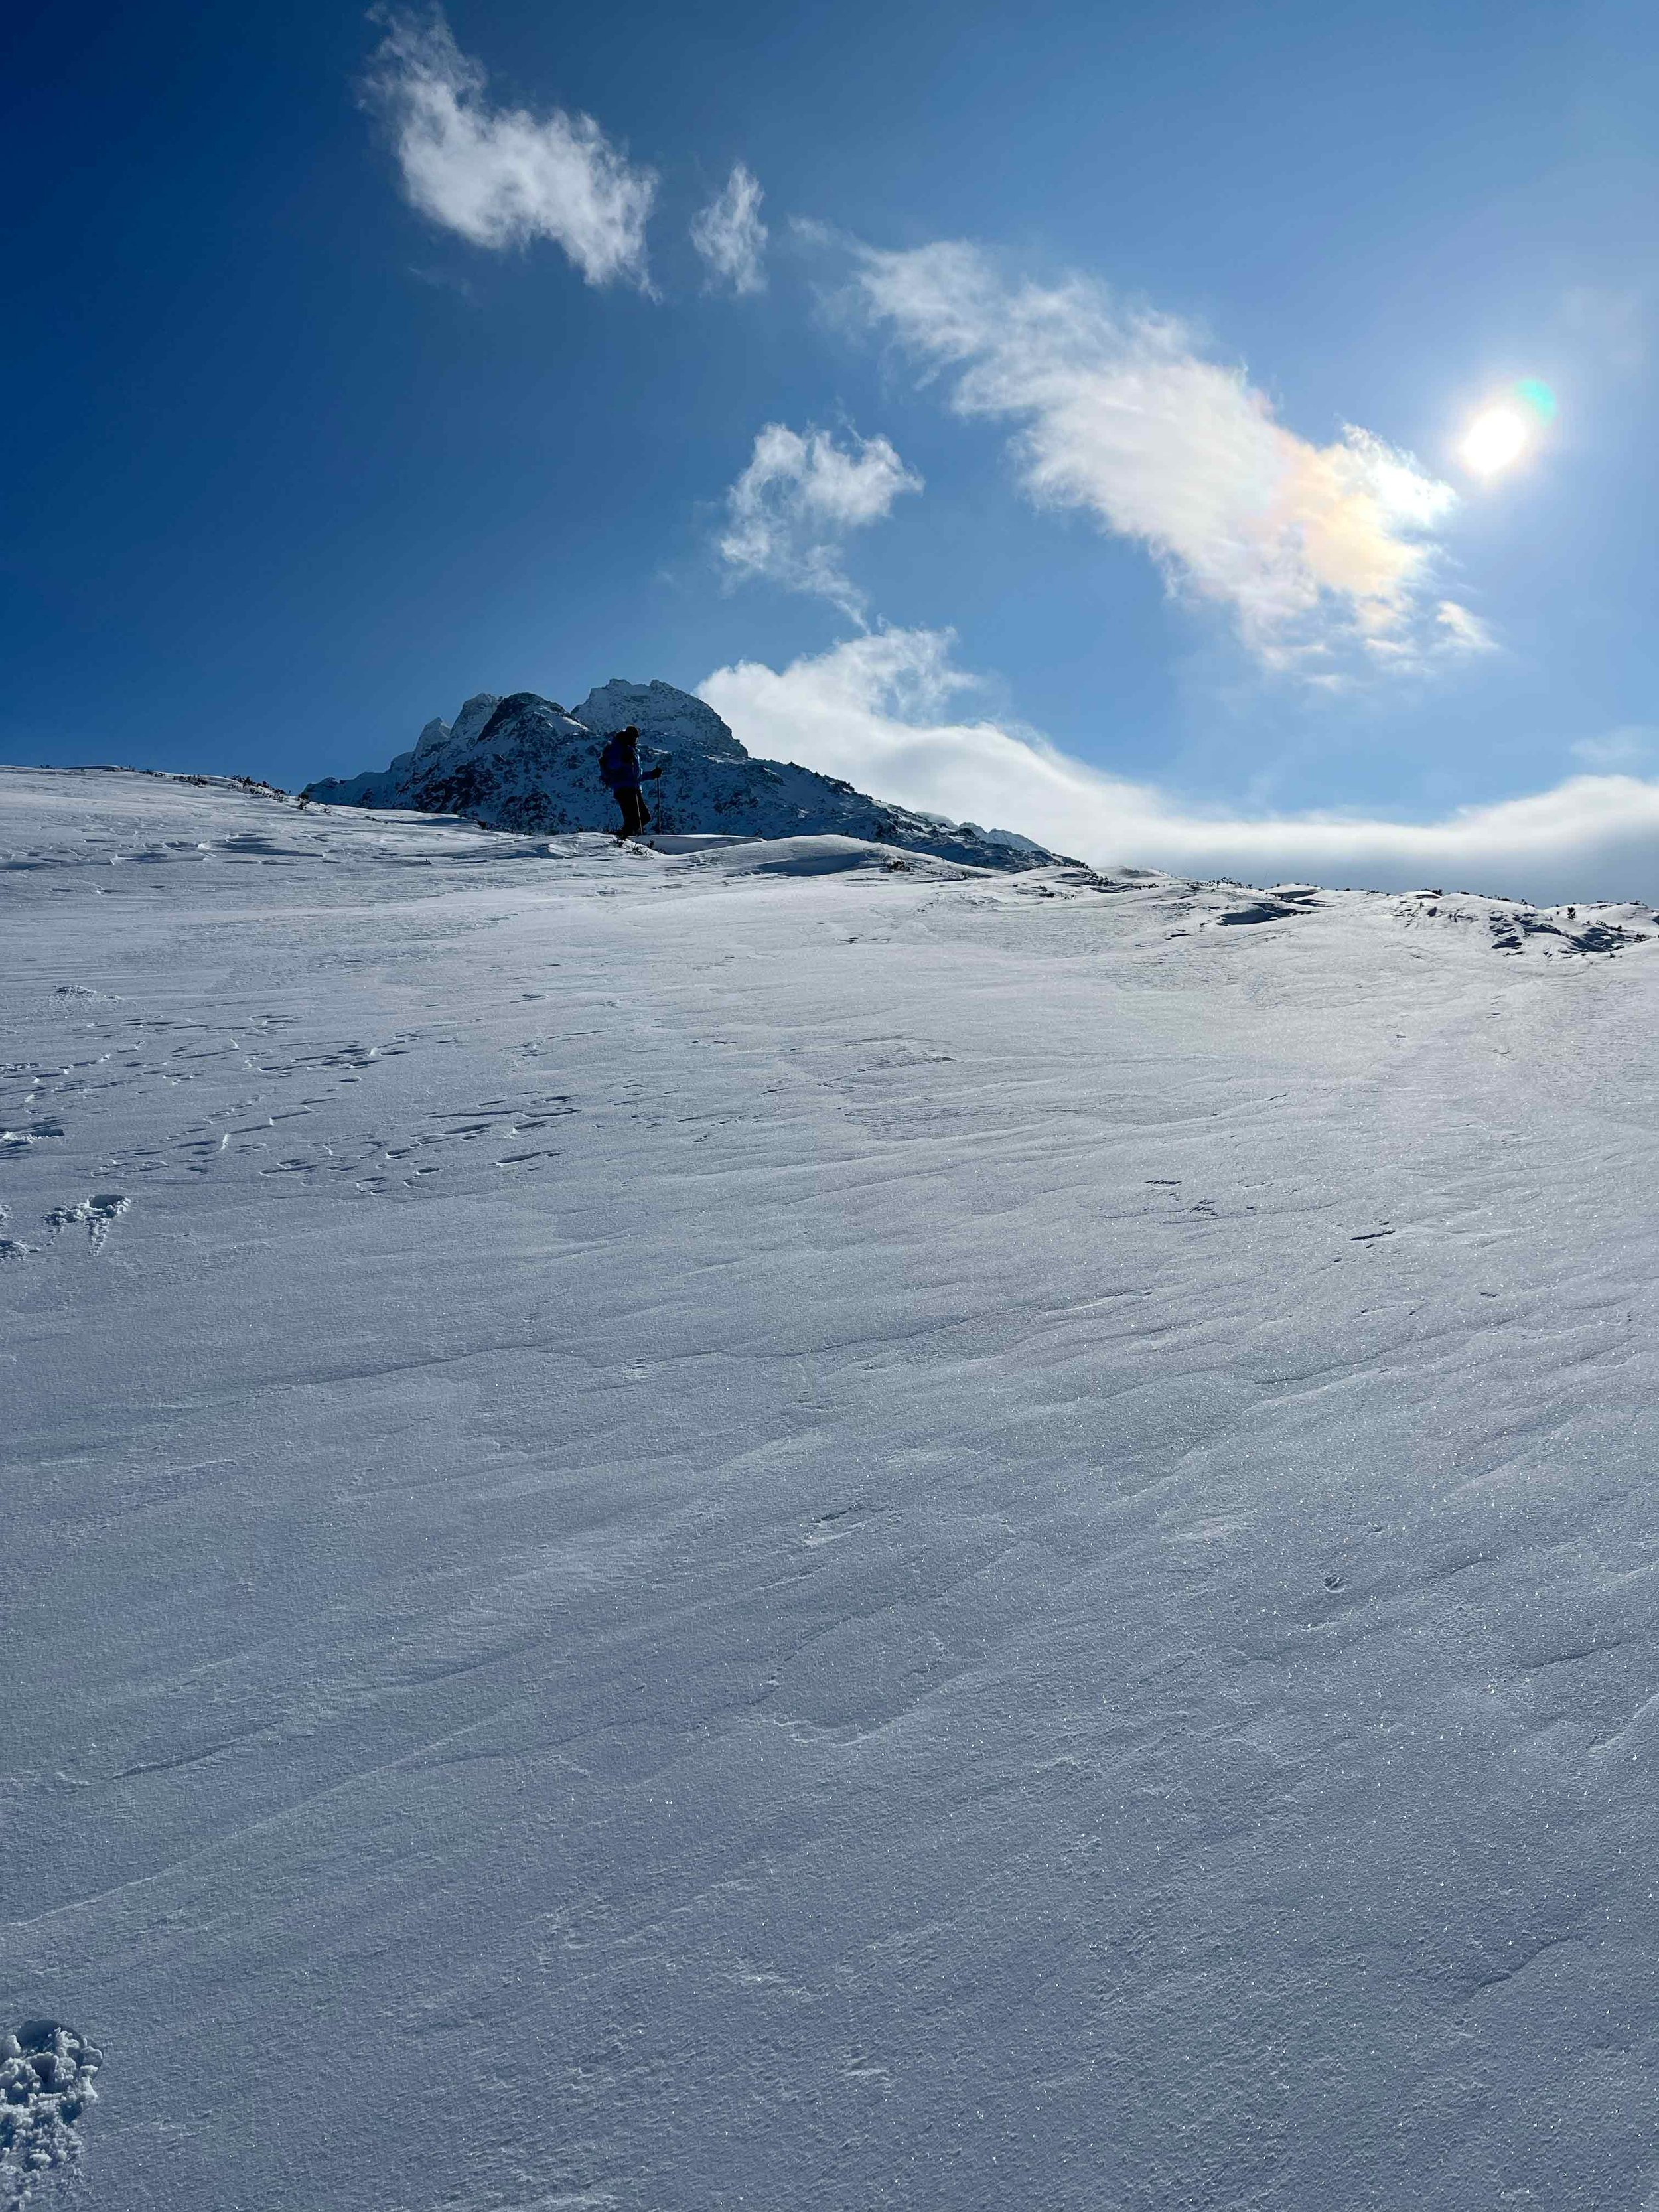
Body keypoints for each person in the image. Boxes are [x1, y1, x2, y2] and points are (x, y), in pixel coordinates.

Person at [598, 725, 664, 842]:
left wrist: (652, 775)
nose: (636, 740)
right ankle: (621, 840)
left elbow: (636, 775)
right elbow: (611, 764)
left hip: (633, 788)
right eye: (634, 737)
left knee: (639, 819)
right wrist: (623, 760)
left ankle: (622, 839)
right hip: (624, 789)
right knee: (640, 818)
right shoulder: (618, 747)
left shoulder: (632, 750)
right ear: (628, 736)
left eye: (637, 738)